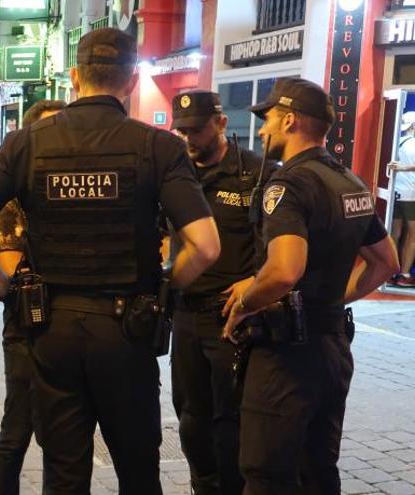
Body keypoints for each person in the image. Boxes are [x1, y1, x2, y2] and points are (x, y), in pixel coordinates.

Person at [0, 28, 221, 493]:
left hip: (51, 330)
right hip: (126, 331)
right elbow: (207, 246)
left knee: (64, 473)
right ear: (131, 81)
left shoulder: (26, 142)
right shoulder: (158, 147)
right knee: (138, 471)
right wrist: (168, 287)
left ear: (74, 77)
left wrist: (6, 290)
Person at [222, 77, 399, 495]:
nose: (262, 130)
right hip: (332, 349)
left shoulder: (288, 185)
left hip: (286, 356)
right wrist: (334, 300)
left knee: (265, 473)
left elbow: (285, 270)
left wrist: (246, 300)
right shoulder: (350, 182)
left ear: (289, 120)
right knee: (318, 468)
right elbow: (385, 262)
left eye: (267, 120)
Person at [169, 90, 279, 495]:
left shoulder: (255, 173)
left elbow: (281, 242)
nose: (188, 139)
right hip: (185, 314)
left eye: (196, 130)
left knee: (230, 419)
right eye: (181, 132)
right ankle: (204, 485)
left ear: (220, 123)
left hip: (233, 318)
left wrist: (256, 283)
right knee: (190, 415)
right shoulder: (176, 173)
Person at [0, 99, 66, 495]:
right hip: (27, 328)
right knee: (16, 430)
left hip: (74, 327)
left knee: (66, 437)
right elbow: (9, 267)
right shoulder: (13, 197)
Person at [390, 111, 415, 287]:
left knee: (395, 233)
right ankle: (404, 275)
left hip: (396, 192)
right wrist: (406, 168)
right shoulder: (413, 143)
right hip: (411, 194)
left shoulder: (397, 141)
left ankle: (390, 272)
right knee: (412, 236)